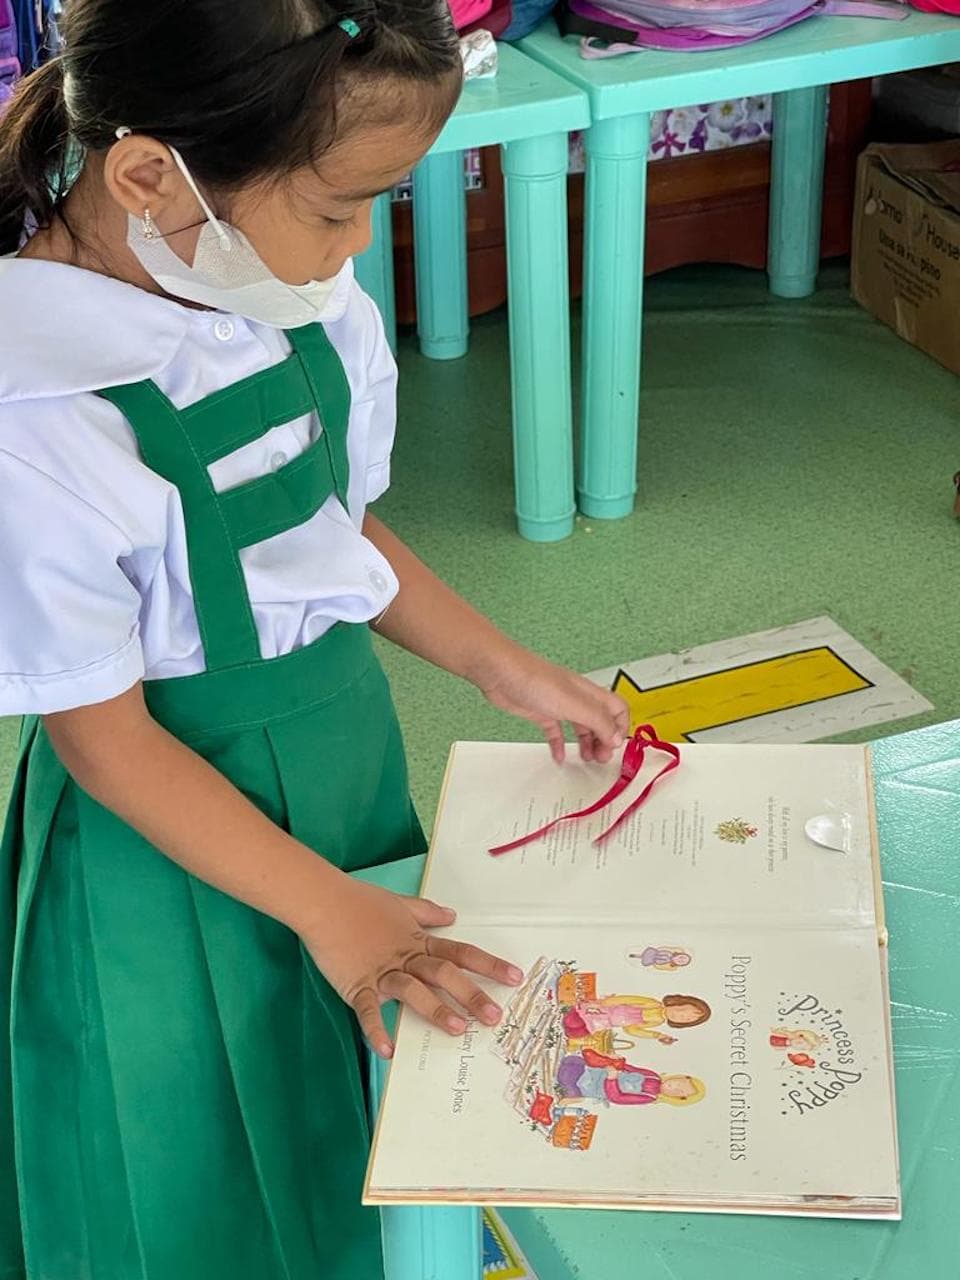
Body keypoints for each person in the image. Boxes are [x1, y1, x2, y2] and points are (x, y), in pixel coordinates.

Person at [0, 3, 629, 1277]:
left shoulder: (280, 287)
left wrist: (495, 660)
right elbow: (109, 745)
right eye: (340, 206)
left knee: (336, 1112)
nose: (355, 244)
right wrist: (337, 915)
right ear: (145, 172)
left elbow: (334, 535)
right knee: (188, 1157)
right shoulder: (36, 417)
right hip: (167, 855)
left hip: (341, 777)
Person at [555, 1049, 706, 1108]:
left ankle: (574, 1097)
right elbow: (629, 1068)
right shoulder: (652, 1075)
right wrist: (615, 1060)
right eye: (677, 1083)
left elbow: (617, 1098)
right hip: (599, 1071)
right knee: (572, 1062)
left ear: (677, 1098)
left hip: (597, 1086)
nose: (673, 1087)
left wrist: (612, 1079)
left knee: (567, 1079)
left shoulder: (648, 1097)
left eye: (678, 1091)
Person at [562, 993, 712, 1045]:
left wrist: (657, 1035)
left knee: (576, 1033)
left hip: (605, 1023)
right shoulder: (653, 1004)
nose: (679, 1016)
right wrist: (605, 1003)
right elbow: (627, 999)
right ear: (677, 1003)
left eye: (683, 1019)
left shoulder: (657, 1021)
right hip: (601, 1011)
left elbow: (633, 1029)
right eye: (681, 1010)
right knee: (571, 1021)